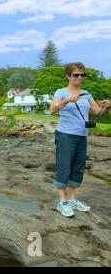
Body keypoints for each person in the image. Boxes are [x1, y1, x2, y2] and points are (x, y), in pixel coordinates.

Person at [49, 62, 110, 218]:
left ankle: (72, 199)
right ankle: (62, 202)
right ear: (68, 76)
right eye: (76, 75)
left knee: (78, 167)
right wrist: (67, 100)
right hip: (65, 135)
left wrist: (106, 107)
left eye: (82, 75)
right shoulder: (61, 92)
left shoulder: (86, 94)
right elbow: (52, 110)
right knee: (64, 166)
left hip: (82, 136)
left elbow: (97, 112)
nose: (79, 78)